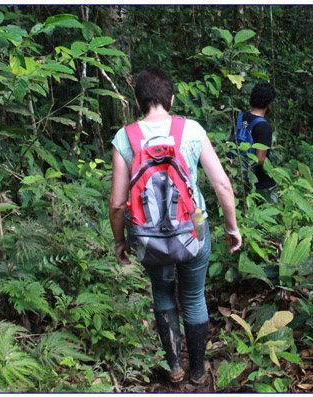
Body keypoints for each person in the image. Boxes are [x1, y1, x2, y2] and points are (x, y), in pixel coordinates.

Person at [109, 68, 242, 385]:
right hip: (193, 229)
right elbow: (222, 185)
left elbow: (116, 203)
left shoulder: (124, 138)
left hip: (147, 235)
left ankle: (174, 367)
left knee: (163, 294)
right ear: (170, 99)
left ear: (139, 102)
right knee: (194, 297)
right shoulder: (192, 130)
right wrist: (231, 227)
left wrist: (119, 241)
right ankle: (197, 372)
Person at [238, 83, 278, 203]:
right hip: (261, 183)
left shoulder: (240, 118)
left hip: (241, 178)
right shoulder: (264, 127)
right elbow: (260, 159)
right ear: (269, 103)